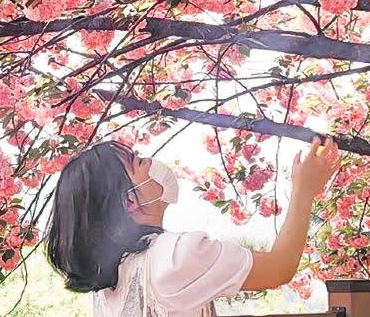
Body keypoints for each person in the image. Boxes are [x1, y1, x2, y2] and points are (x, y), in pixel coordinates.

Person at [45, 135, 340, 317]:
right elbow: (279, 268)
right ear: (127, 202)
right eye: (137, 163)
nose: (149, 163)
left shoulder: (108, 279)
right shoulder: (177, 256)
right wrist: (304, 190)